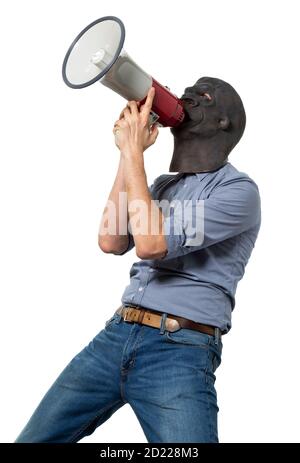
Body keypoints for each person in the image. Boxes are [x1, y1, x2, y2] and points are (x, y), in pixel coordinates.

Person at [15, 77, 261, 443]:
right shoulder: (163, 186)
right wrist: (127, 153)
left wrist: (134, 154)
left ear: (225, 123)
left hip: (179, 350)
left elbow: (150, 245)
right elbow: (112, 239)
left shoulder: (238, 192)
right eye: (189, 89)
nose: (189, 94)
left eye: (204, 95)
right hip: (116, 336)